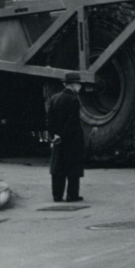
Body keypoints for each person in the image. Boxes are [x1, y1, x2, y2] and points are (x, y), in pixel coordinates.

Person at [48, 71, 86, 203]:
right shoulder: (74, 99)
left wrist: (55, 135)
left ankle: (57, 195)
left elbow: (50, 120)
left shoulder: (55, 98)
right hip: (72, 139)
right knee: (73, 168)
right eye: (78, 83)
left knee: (58, 167)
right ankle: (72, 195)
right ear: (72, 85)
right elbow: (72, 122)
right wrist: (63, 135)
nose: (80, 86)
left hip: (58, 139)